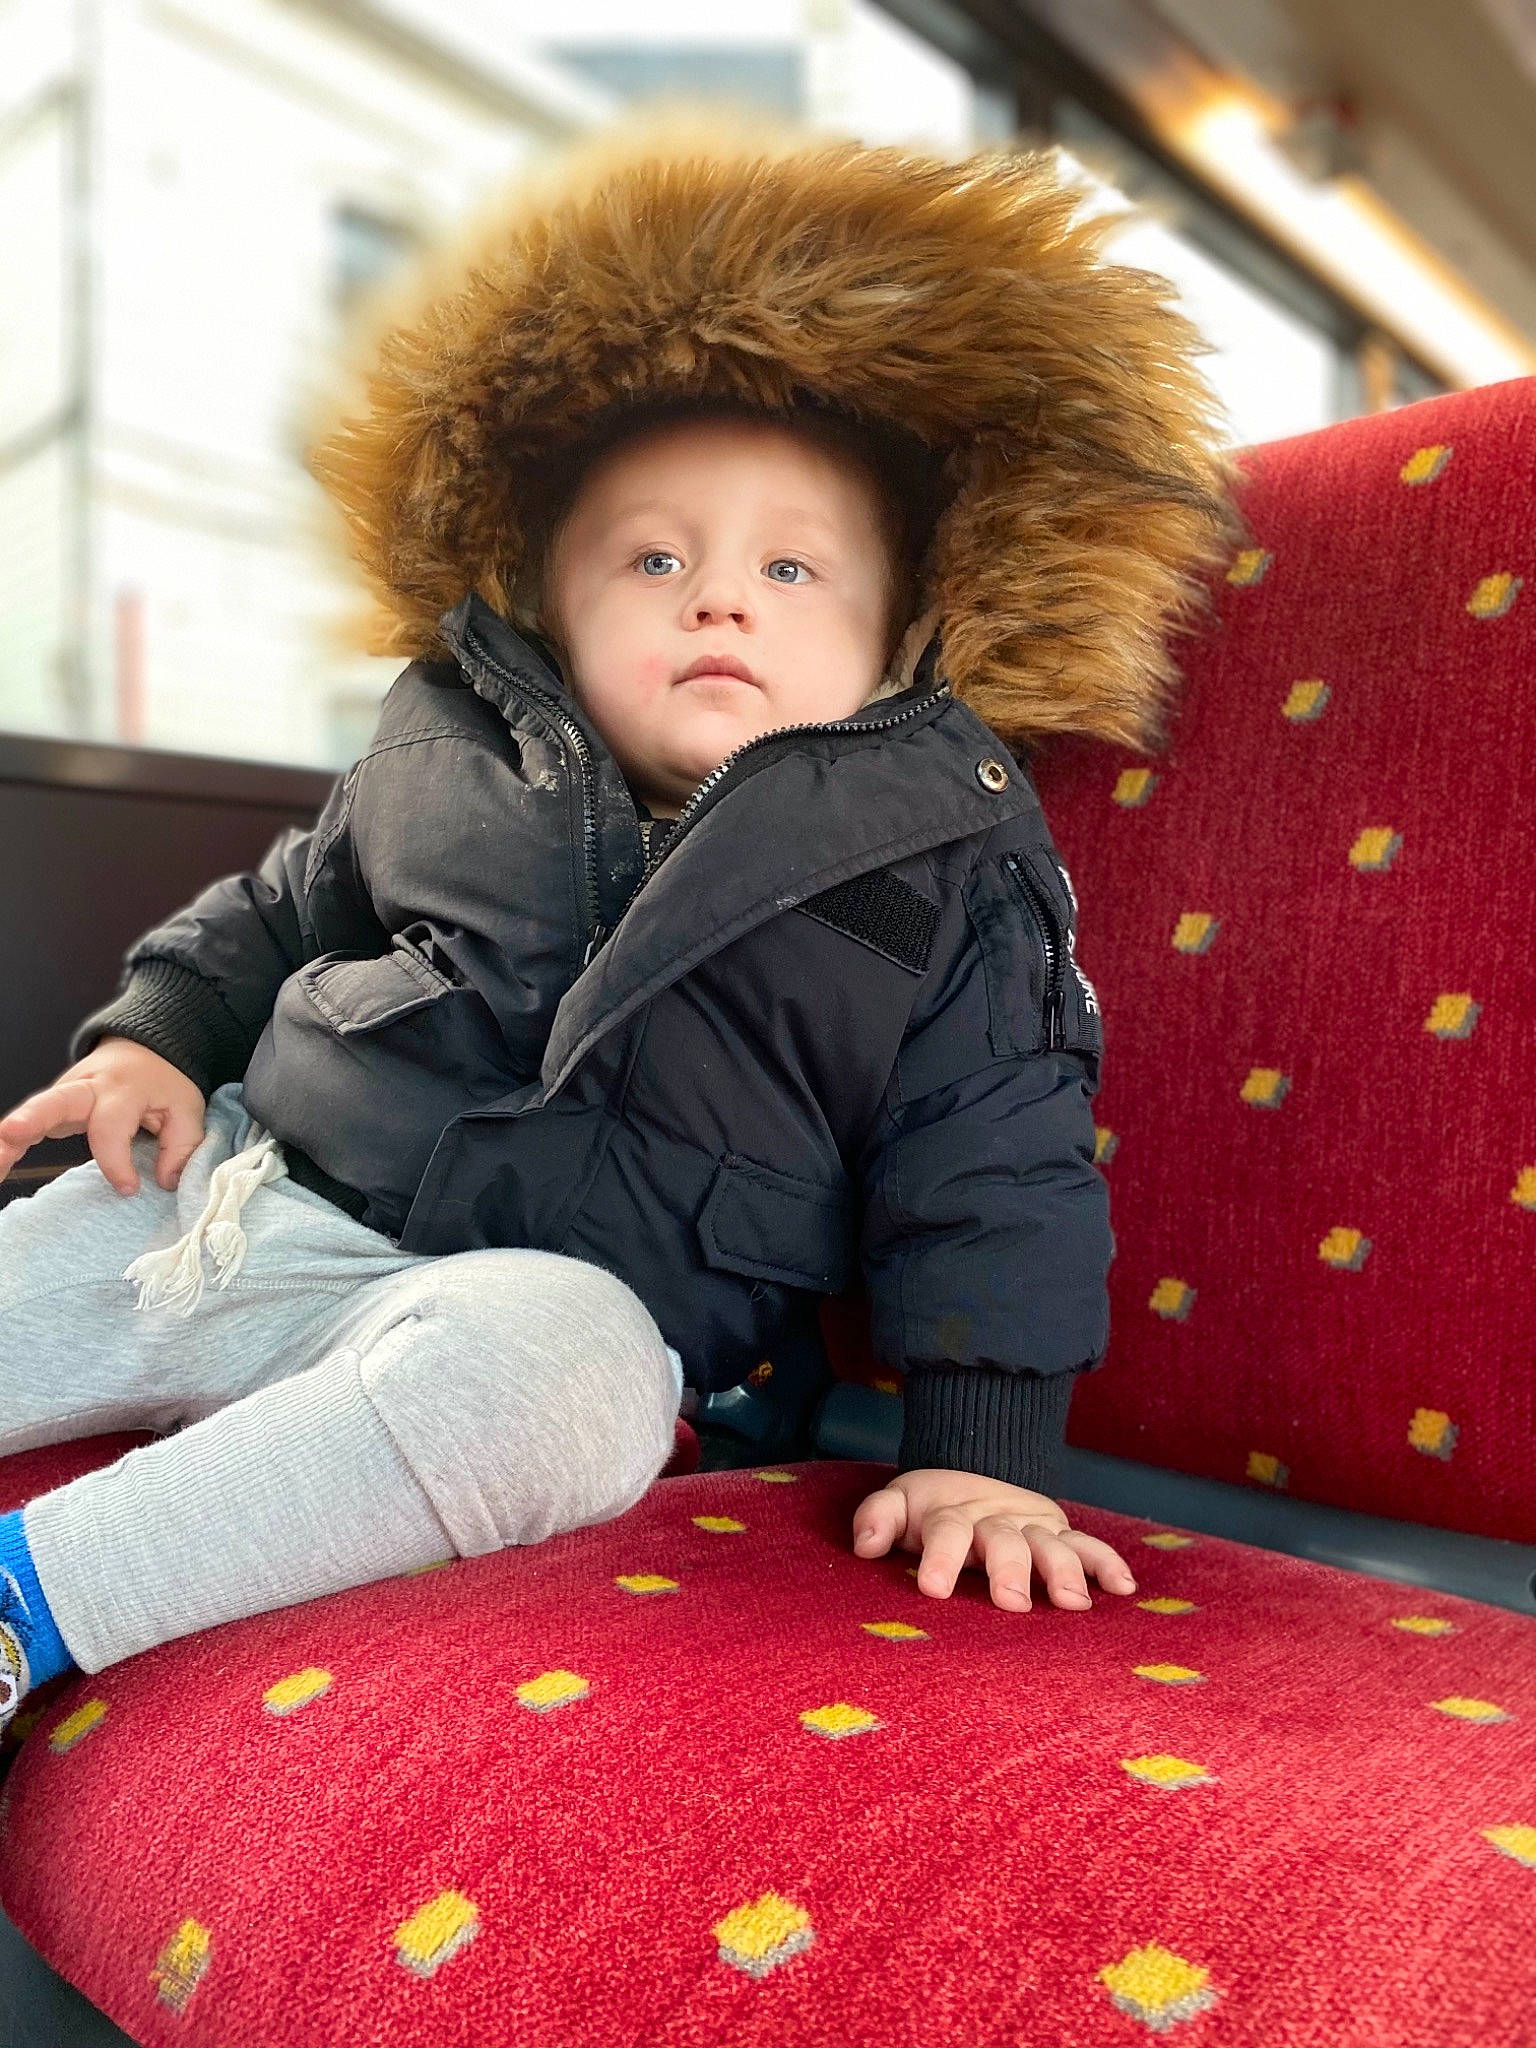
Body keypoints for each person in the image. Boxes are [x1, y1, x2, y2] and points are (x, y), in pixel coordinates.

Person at [0, 111, 1237, 1735]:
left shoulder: (944, 864)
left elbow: (994, 1160)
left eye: (795, 573)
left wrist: (977, 1454)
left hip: (558, 1305)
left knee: (569, 1385)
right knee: (75, 1231)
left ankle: (34, 1604)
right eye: (655, 558)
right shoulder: (446, 746)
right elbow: (284, 907)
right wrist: (152, 1039)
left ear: (900, 642)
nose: (720, 597)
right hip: (245, 1194)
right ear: (553, 609)